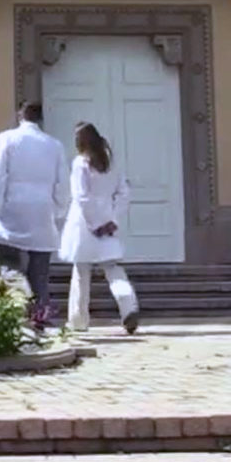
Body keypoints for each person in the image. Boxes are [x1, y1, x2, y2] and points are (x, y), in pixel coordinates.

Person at [0, 101, 68, 309]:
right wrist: (58, 210)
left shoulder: (7, 138)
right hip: (42, 210)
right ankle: (40, 312)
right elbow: (62, 183)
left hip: (12, 207)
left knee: (9, 265)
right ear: (41, 118)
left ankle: (16, 308)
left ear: (20, 115)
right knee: (40, 271)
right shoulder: (54, 145)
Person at [59, 122, 140, 334]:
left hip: (83, 224)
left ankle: (78, 321)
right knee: (113, 269)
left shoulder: (80, 163)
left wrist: (95, 224)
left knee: (81, 273)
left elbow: (81, 197)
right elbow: (124, 193)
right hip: (108, 220)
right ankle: (128, 306)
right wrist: (112, 219)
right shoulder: (110, 163)